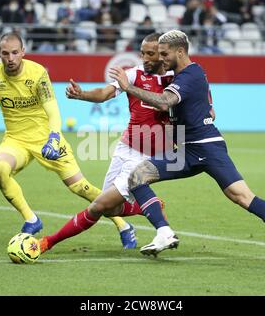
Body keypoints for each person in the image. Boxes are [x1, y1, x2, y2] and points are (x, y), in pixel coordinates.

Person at [108, 30, 265, 268]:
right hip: (186, 150)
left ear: (180, 52)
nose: (160, 58)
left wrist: (128, 87)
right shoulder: (185, 75)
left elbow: (165, 101)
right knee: (137, 175)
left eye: (165, 54)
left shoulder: (188, 76)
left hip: (207, 148)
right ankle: (164, 232)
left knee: (243, 197)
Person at [0, 32, 135, 249]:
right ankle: (31, 220)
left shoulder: (38, 73)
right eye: (5, 53)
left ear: (23, 52)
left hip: (46, 138)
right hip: (16, 140)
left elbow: (52, 108)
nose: (10, 58)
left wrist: (53, 138)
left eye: (15, 53)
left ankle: (123, 225)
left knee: (81, 187)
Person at [38, 33, 174, 253]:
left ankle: (47, 242)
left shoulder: (174, 80)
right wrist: (82, 94)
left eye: (151, 54)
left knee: (98, 206)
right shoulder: (133, 74)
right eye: (143, 53)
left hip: (145, 158)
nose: (145, 58)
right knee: (112, 210)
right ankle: (149, 206)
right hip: (125, 148)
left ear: (163, 55)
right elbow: (104, 93)